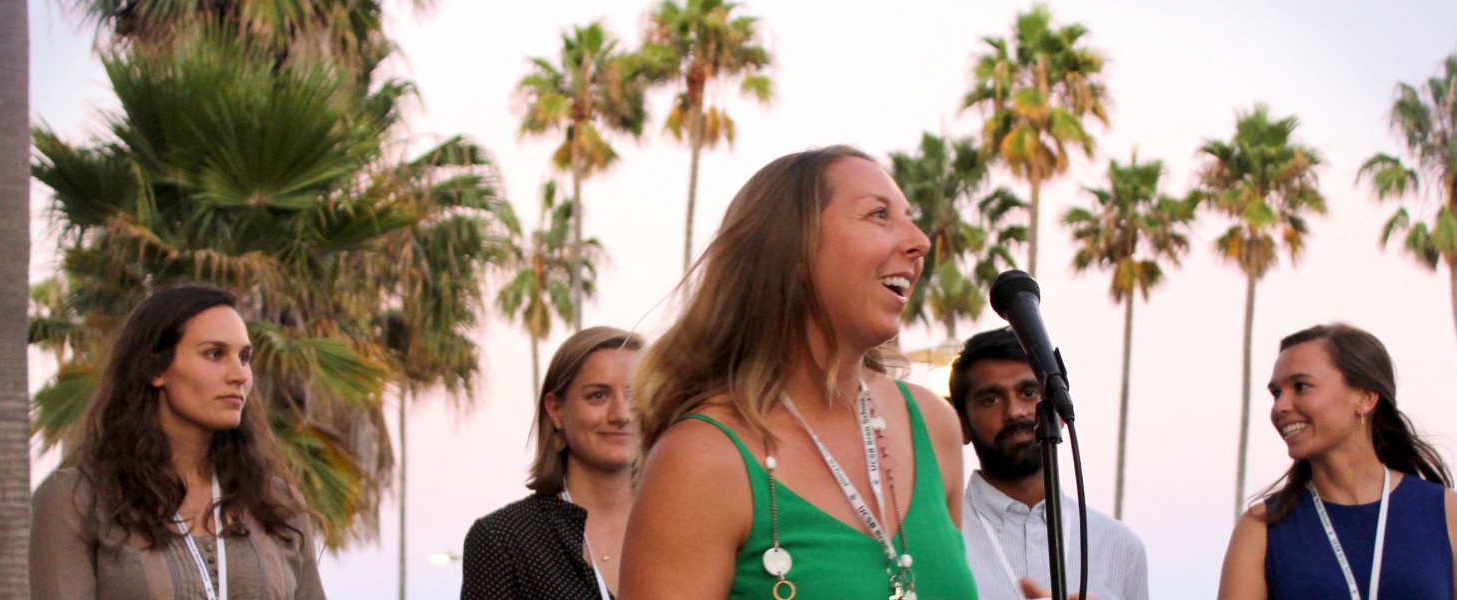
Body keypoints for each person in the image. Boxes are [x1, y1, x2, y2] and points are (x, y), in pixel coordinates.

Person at [620, 146, 978, 599]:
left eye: (910, 216)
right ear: (793, 250)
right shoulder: (702, 460)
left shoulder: (932, 425)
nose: (920, 241)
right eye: (879, 215)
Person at [31, 285, 325, 600]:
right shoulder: (77, 500)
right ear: (155, 368)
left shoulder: (277, 505)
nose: (240, 374)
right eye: (215, 354)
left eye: (244, 357)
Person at [1218, 323, 1457, 600]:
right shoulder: (1261, 530)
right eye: (1276, 393)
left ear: (1365, 397)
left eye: (1301, 387)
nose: (1280, 406)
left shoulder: (1449, 514)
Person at [950, 327, 1149, 600]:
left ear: (1060, 410)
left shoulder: (1119, 546)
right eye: (991, 399)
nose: (1015, 411)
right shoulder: (938, 539)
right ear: (960, 424)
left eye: (1029, 392)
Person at [461, 326, 643, 599]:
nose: (622, 414)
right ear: (556, 410)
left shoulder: (688, 526)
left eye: (635, 395)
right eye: (598, 395)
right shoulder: (503, 539)